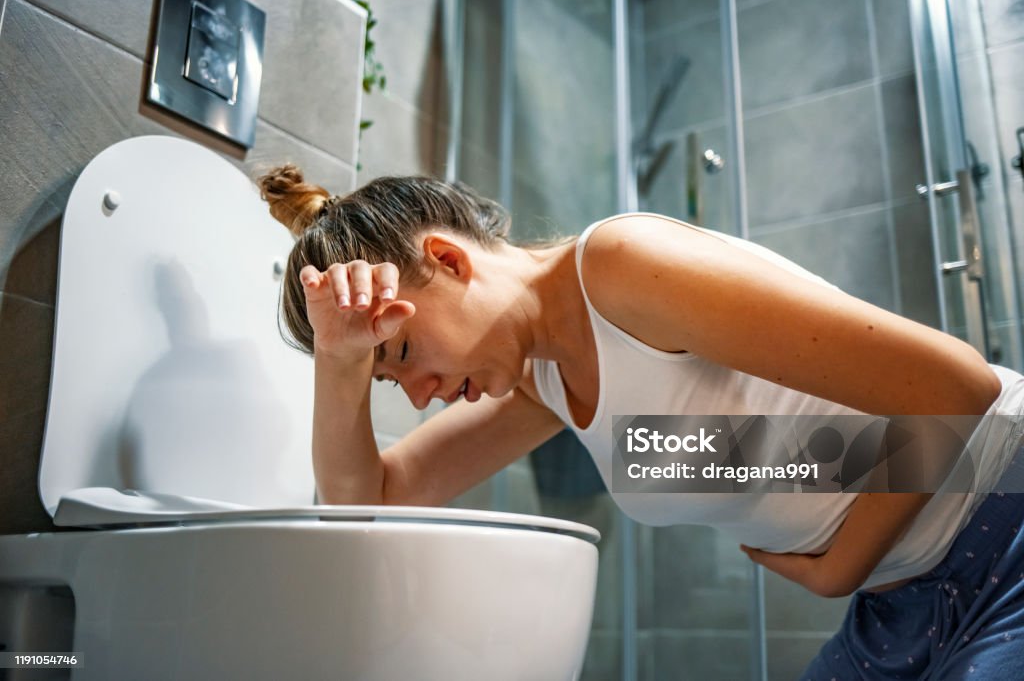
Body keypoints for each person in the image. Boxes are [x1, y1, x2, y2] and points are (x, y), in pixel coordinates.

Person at [256, 164, 1024, 679]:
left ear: (450, 262)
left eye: (405, 351)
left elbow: (953, 384)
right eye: (390, 378)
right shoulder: (543, 381)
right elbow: (371, 503)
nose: (418, 394)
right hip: (909, 595)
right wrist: (342, 360)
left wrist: (838, 569)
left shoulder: (622, 268)